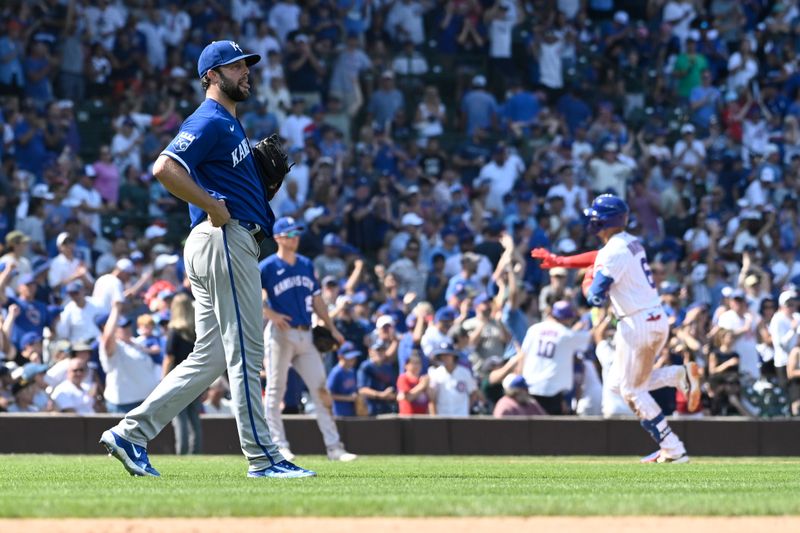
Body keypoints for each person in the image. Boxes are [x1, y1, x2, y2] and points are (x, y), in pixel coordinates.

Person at [100, 40, 314, 479]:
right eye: (235, 67)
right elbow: (165, 168)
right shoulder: (211, 119)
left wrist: (253, 191)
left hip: (222, 241)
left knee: (212, 356)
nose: (245, 73)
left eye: (246, 66)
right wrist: (214, 205)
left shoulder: (232, 126)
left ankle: (131, 433)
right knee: (245, 351)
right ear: (211, 77)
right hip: (223, 237)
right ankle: (264, 457)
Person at [580, 194, 700, 463]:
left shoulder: (613, 250)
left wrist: (587, 285)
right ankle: (676, 376)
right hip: (650, 318)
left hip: (638, 323)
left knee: (633, 390)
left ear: (606, 220)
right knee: (615, 384)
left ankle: (673, 448)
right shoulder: (632, 241)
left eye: (597, 217)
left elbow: (596, 295)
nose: (592, 221)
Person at [261, 216, 357, 462]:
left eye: (297, 234)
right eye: (290, 234)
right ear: (278, 237)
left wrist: (332, 328)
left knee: (321, 388)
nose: (295, 238)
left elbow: (317, 300)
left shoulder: (305, 264)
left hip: (306, 333)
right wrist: (269, 312)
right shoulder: (268, 266)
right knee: (275, 391)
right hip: (280, 334)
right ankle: (278, 446)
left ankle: (335, 448)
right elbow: (251, 296)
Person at [518, 301, 591, 415]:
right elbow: (589, 338)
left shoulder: (534, 329)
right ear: (567, 318)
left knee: (530, 429)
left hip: (530, 387)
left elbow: (522, 356)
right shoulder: (566, 334)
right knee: (551, 429)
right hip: (552, 391)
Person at [164, 293, 202, 455]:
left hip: (178, 379)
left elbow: (169, 358)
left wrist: (163, 381)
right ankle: (195, 452)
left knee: (180, 418)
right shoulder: (197, 332)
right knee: (194, 418)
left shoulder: (175, 331)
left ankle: (182, 453)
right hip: (196, 378)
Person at [428, 341, 478, 416]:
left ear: (453, 356)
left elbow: (473, 393)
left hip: (461, 416)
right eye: (443, 355)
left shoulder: (465, 372)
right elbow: (432, 399)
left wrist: (465, 409)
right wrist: (434, 418)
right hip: (442, 416)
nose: (445, 357)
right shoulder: (435, 374)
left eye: (448, 355)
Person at [326, 342, 362, 417]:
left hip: (351, 412)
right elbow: (328, 395)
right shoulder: (336, 372)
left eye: (354, 357)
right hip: (339, 413)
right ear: (340, 357)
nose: (353, 360)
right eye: (350, 358)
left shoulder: (352, 371)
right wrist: (348, 398)